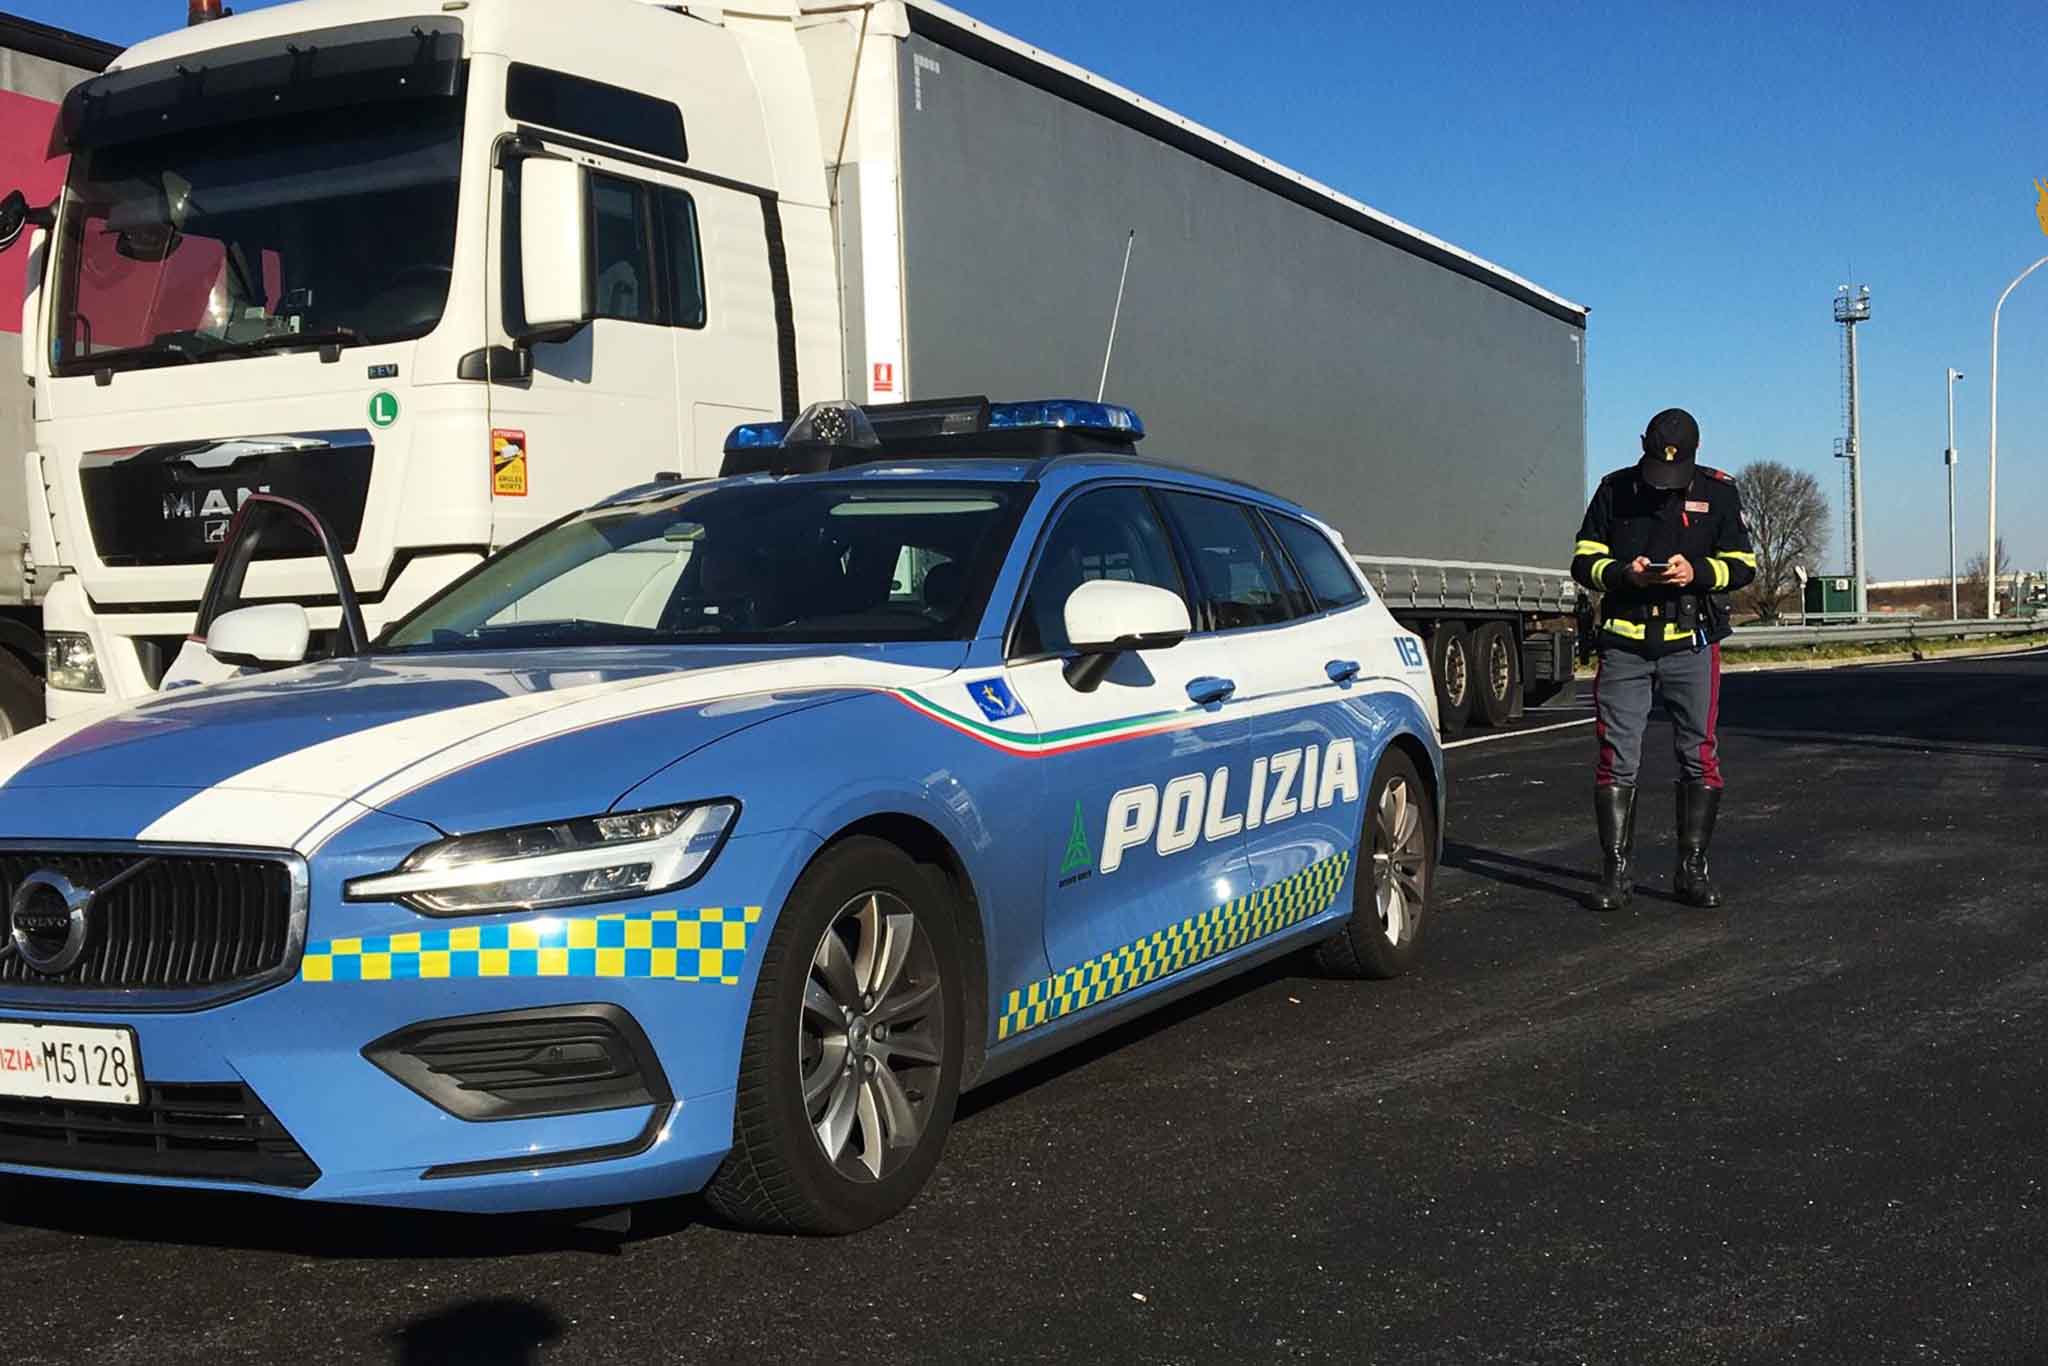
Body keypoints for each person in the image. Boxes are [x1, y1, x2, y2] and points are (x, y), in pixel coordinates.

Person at [1570, 409, 1756, 911]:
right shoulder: (1615, 489)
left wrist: (1694, 570)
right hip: (1624, 644)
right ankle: (1616, 873)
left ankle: (1692, 869)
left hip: (1691, 642)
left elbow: (1743, 565)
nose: (1663, 481)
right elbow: (1583, 558)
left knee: (1699, 754)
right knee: (1616, 757)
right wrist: (1623, 573)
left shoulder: (1719, 491)